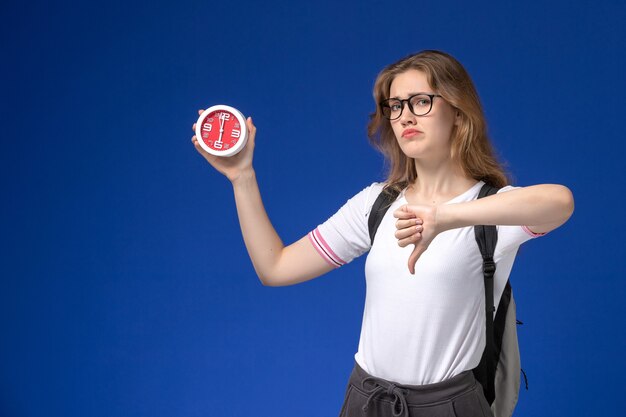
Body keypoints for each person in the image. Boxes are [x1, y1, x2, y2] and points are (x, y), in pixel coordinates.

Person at [190, 50, 574, 417]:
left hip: (450, 406)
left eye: (421, 101)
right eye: (396, 106)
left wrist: (445, 217)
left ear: (458, 112)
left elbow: (559, 202)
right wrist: (242, 177)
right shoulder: (376, 205)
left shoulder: (491, 210)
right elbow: (275, 268)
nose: (406, 116)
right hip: (366, 401)